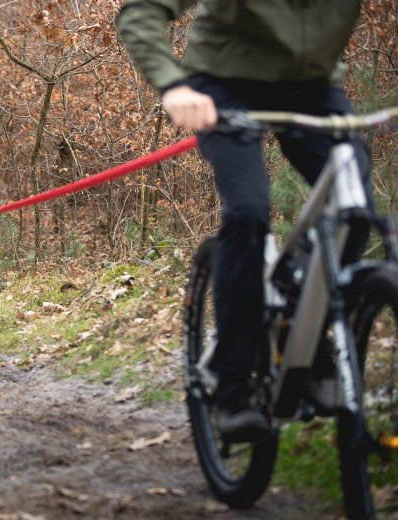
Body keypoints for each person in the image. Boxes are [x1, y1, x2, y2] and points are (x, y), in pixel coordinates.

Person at [115, 2, 370, 442]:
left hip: (310, 88)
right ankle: (233, 386)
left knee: (356, 211)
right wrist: (173, 85)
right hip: (222, 86)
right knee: (249, 212)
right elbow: (141, 13)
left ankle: (306, 331)